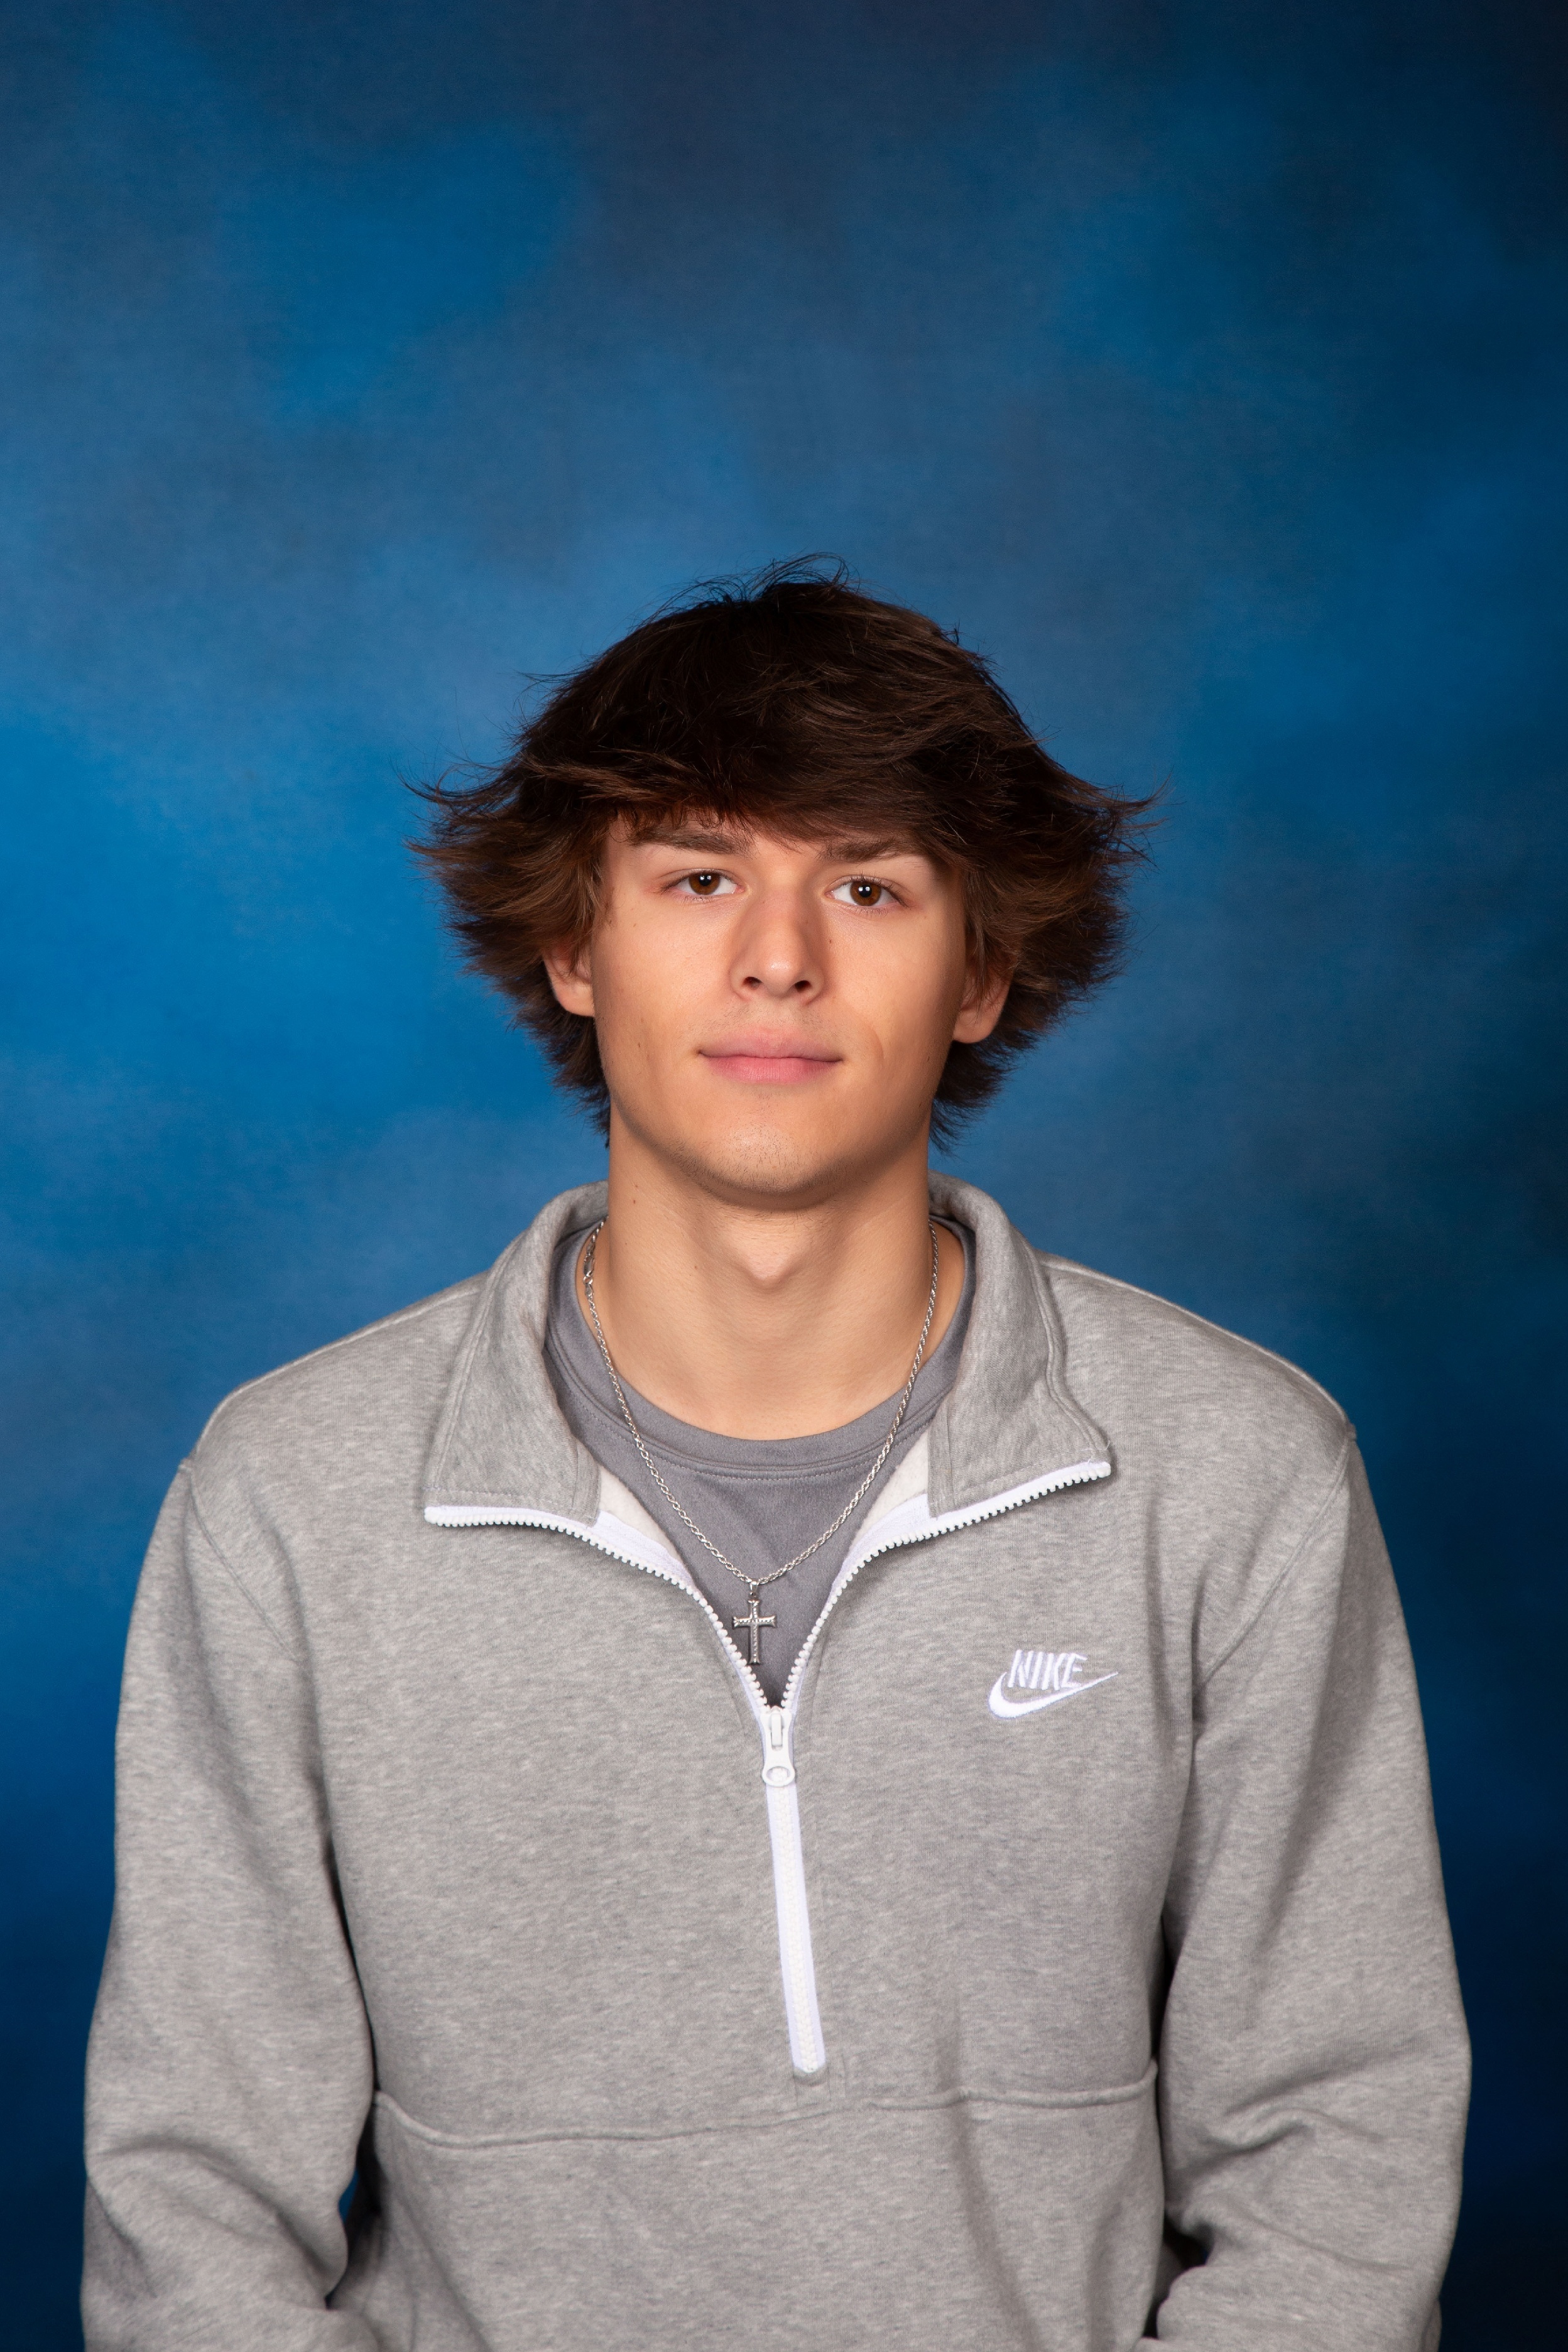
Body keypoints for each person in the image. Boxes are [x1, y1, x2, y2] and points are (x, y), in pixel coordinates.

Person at [82, 564, 1468, 2351]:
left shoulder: (1233, 1475)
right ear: (575, 949)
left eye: (869, 887)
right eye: (699, 878)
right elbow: (192, 2206)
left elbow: (1338, 2153)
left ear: (982, 971)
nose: (779, 959)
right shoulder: (293, 1497)